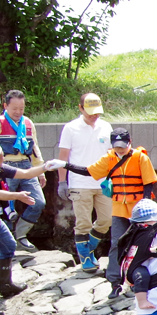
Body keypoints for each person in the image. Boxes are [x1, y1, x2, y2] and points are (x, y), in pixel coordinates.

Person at [62, 127, 157, 298]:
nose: (120, 149)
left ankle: (143, 280)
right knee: (116, 243)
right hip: (119, 208)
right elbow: (89, 171)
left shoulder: (140, 157)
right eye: (117, 146)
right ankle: (115, 282)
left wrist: (145, 204)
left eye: (123, 145)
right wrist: (65, 165)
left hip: (139, 210)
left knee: (143, 244)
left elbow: (148, 183)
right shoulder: (109, 158)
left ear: (130, 142)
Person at [57, 93, 113, 274]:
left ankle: (88, 247)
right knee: (83, 222)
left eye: (97, 112)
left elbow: (111, 156)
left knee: (106, 219)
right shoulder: (70, 128)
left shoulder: (106, 126)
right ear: (81, 108)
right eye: (90, 112)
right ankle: (86, 258)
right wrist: (62, 182)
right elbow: (63, 157)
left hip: (103, 183)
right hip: (79, 182)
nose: (94, 116)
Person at [0, 152, 62, 296]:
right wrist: (17, 196)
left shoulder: (0, 168)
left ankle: (6, 285)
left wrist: (45, 167)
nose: (3, 158)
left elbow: (26, 173)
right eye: (0, 156)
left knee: (8, 245)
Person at [0, 90, 47, 251]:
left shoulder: (27, 123)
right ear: (5, 106)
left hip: (26, 166)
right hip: (5, 168)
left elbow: (35, 148)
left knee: (38, 202)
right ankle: (6, 243)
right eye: (14, 109)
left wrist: (40, 170)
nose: (18, 112)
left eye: (21, 108)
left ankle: (20, 235)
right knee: (7, 207)